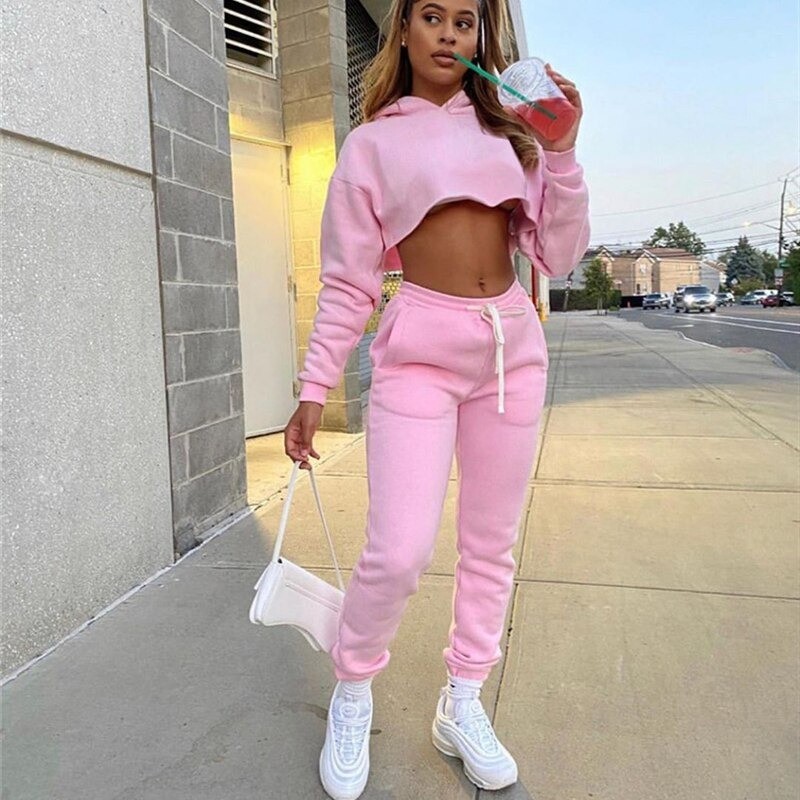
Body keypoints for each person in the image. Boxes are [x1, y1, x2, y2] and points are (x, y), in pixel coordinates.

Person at [283, 0, 590, 796]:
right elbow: (348, 282)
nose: (450, 33)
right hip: (418, 354)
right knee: (399, 550)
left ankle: (462, 701)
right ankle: (354, 685)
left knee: (490, 544)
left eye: (465, 20)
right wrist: (315, 386)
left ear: (482, 37)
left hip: (509, 354)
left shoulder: (512, 136)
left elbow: (557, 254)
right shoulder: (373, 145)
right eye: (432, 16)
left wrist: (562, 153)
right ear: (404, 31)